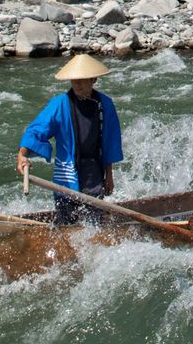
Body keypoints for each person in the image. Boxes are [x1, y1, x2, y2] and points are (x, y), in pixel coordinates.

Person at [16, 53, 123, 224]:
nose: (77, 84)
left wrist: (109, 175)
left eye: (81, 79)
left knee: (94, 222)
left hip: (94, 172)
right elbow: (38, 129)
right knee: (67, 222)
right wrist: (22, 154)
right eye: (74, 80)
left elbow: (109, 142)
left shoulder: (105, 104)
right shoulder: (59, 104)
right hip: (67, 173)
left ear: (93, 79)